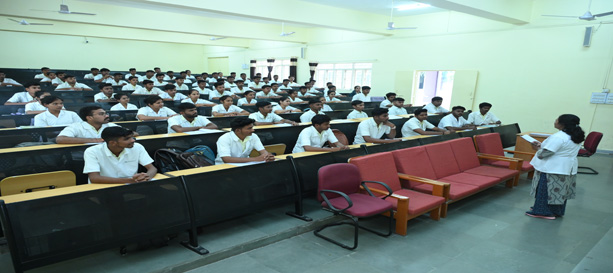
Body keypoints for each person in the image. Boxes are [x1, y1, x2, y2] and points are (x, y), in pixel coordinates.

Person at [526, 114, 585, 219]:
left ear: (562, 124)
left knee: (547, 190)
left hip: (552, 168)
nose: (555, 121)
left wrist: (537, 149)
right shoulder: (576, 134)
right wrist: (541, 146)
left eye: (557, 120)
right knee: (559, 191)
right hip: (566, 168)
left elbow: (543, 154)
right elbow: (561, 149)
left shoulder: (559, 136)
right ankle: (556, 211)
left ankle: (542, 212)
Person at [83, 127, 157, 184]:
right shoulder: (92, 151)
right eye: (127, 139)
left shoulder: (137, 147)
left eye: (132, 137)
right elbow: (94, 178)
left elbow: (152, 168)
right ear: (113, 143)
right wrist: (130, 180)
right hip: (105, 187)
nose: (133, 140)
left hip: (132, 185)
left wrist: (145, 177)